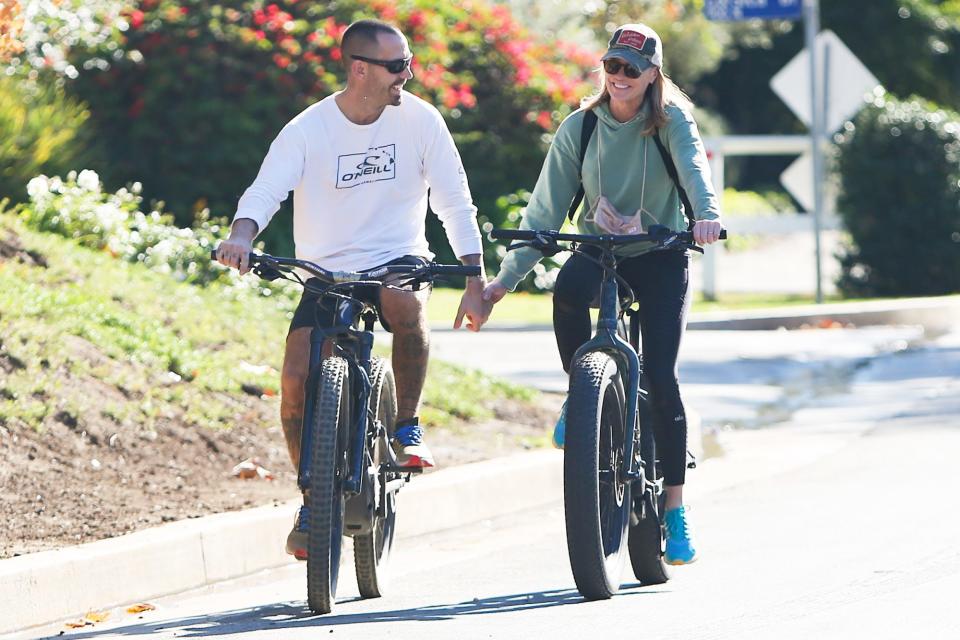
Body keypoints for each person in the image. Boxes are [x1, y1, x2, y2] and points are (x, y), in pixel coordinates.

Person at [214, 19, 487, 559]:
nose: (406, 74)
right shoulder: (309, 129)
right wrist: (240, 236)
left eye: (408, 62)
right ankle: (313, 499)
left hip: (398, 258)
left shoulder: (421, 121)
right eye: (395, 66)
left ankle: (406, 425)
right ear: (359, 69)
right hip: (327, 271)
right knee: (295, 376)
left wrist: (475, 276)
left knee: (400, 298)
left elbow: (454, 200)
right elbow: (266, 190)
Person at [482, 23, 722, 565]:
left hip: (660, 255)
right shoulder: (581, 127)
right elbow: (543, 211)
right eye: (612, 66)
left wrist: (706, 216)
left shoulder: (671, 122)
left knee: (661, 376)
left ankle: (676, 509)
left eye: (631, 69)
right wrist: (502, 283)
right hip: (601, 250)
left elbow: (694, 171)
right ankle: (580, 394)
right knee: (567, 294)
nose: (619, 77)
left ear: (653, 75)